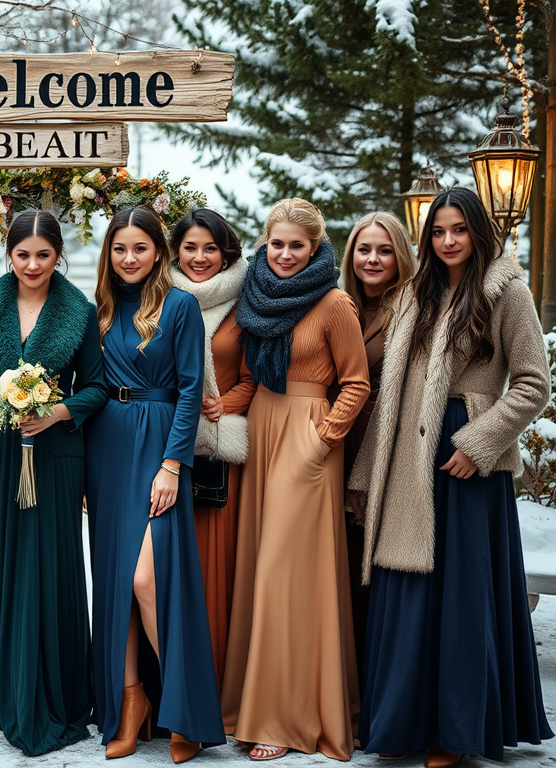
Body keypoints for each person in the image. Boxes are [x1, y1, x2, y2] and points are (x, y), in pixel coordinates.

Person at [348, 188, 554, 767]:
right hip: (406, 462)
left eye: (458, 229)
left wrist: (479, 442)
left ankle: (455, 730)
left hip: (463, 464)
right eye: (438, 232)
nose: (448, 241)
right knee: (409, 592)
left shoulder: (504, 289)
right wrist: (366, 475)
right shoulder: (418, 292)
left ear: (478, 231)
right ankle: (403, 721)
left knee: (461, 597)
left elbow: (534, 383)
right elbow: (391, 395)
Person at [0, 210, 106, 756]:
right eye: (24, 255)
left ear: (58, 255)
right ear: (8, 253)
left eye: (44, 255)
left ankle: (55, 693)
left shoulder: (80, 312)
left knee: (49, 572)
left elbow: (98, 387)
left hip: (57, 462)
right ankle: (3, 692)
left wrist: (60, 411)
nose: (34, 264)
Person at [221, 198, 369, 761]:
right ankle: (250, 703)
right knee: (259, 572)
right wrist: (221, 411)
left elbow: (355, 383)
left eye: (296, 245)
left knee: (288, 576)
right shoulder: (254, 295)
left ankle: (287, 718)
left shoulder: (335, 304)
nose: (285, 254)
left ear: (316, 247)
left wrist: (323, 440)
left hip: (308, 439)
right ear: (266, 243)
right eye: (277, 244)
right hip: (260, 431)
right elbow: (251, 375)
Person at [85, 206, 224, 764]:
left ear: (158, 252)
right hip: (107, 445)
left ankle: (185, 707)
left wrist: (172, 465)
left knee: (147, 579)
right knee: (116, 581)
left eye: (140, 248)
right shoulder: (96, 307)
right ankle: (129, 701)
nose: (129, 258)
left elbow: (191, 389)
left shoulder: (181, 305)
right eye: (120, 248)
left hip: (160, 441)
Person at [168, 208, 251, 688]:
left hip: (220, 451)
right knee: (169, 574)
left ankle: (216, 688)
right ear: (176, 251)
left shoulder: (245, 299)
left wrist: (230, 401)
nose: (200, 258)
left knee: (214, 573)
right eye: (190, 247)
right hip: (168, 449)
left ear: (226, 252)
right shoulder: (161, 297)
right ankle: (170, 688)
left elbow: (261, 371)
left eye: (210, 248)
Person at [339, 211, 416, 690]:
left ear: (402, 257)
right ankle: (344, 687)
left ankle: (375, 694)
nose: (373, 259)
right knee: (341, 572)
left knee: (376, 578)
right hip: (335, 449)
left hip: (386, 455)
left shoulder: (412, 309)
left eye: (385, 250)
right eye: (364, 249)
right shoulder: (338, 303)